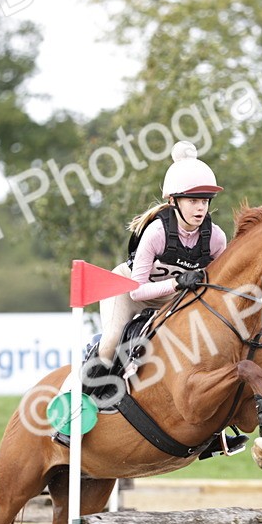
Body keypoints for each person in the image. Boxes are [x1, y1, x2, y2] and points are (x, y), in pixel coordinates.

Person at [96, 140, 228, 367]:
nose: (200, 208)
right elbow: (137, 291)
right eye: (193, 201)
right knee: (111, 342)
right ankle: (93, 380)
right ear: (173, 201)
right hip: (128, 292)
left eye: (205, 201)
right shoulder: (157, 233)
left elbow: (221, 284)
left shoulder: (216, 238)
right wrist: (178, 282)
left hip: (173, 300)